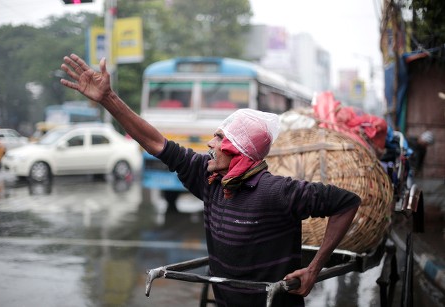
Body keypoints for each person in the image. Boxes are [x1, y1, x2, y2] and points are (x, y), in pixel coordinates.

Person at [60, 54, 361, 307]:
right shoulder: (210, 180)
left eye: (219, 138)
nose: (210, 144)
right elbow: (156, 144)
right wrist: (109, 100)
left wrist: (313, 268)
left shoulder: (279, 192)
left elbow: (346, 203)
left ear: (239, 149)